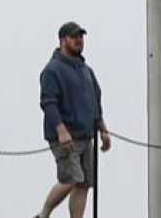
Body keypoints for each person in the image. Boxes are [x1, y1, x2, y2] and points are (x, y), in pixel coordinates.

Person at [35, 21, 110, 218]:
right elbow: (48, 103)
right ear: (62, 40)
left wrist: (103, 130)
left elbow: (96, 100)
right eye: (74, 37)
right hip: (65, 137)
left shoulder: (87, 71)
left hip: (86, 136)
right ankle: (43, 214)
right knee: (71, 178)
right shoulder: (52, 70)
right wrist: (61, 130)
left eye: (81, 37)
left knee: (84, 182)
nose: (79, 40)